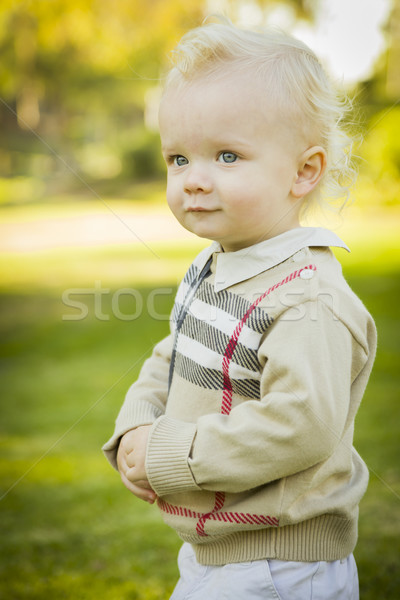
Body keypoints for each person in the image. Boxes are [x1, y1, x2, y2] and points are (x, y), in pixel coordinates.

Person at [103, 19, 377, 599]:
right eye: (178, 159)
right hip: (217, 552)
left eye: (227, 156)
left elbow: (300, 426)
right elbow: (176, 353)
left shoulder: (308, 295)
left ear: (305, 171)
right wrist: (136, 427)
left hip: (278, 564)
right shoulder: (217, 264)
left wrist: (171, 453)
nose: (194, 181)